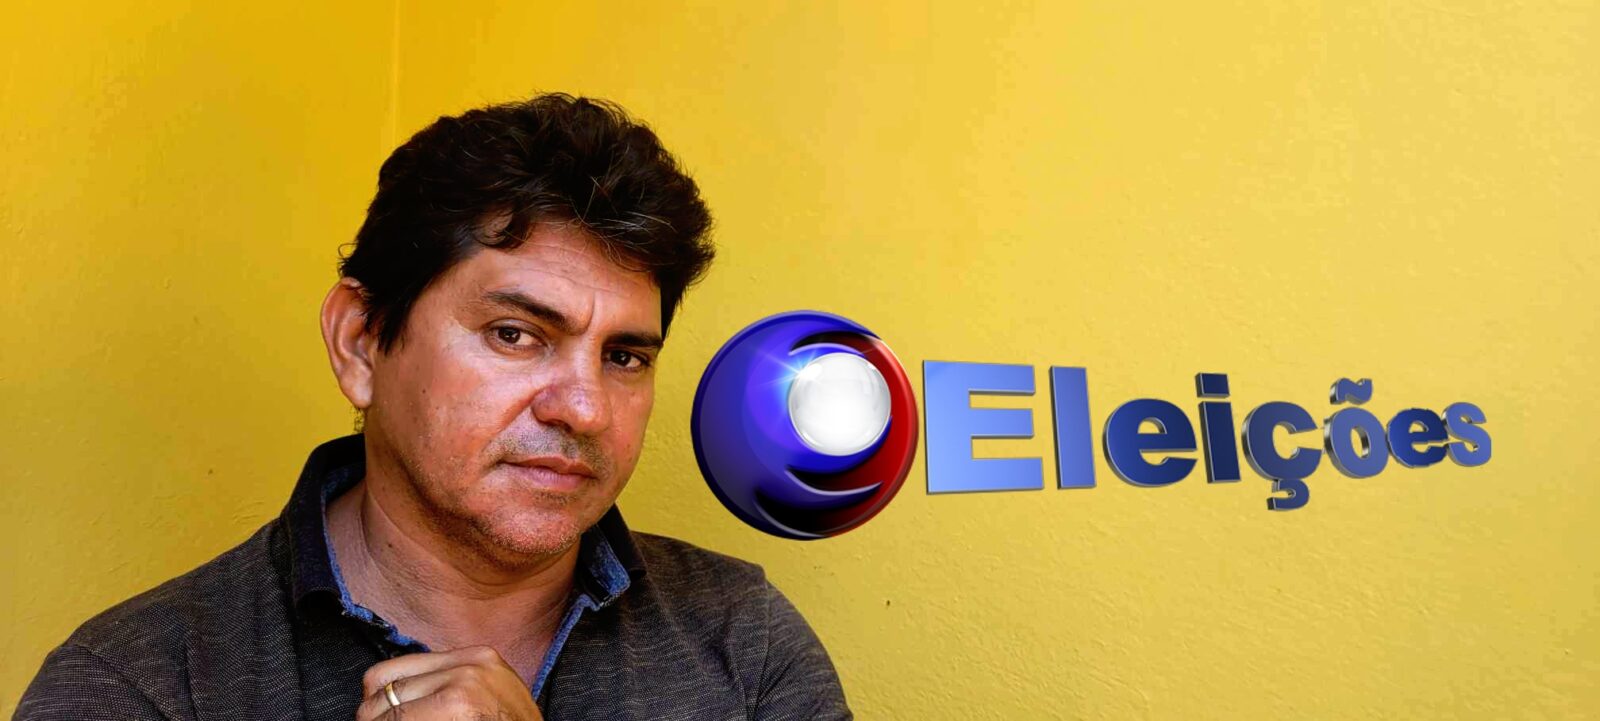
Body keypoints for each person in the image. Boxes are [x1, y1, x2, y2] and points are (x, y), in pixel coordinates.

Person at [16, 94, 852, 720]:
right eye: (516, 334)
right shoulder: (143, 686)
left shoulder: (746, 647)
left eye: (624, 356)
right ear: (360, 342)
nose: (586, 409)